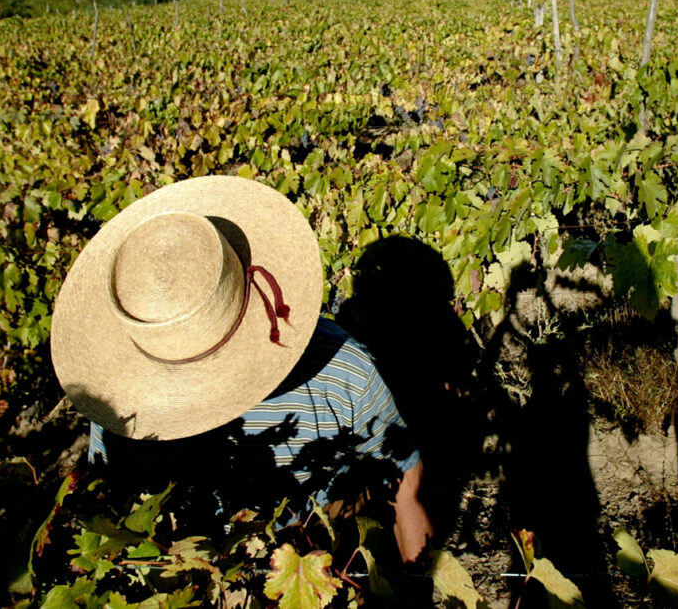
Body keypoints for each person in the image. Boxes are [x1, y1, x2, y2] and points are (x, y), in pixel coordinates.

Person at [49, 175, 433, 563]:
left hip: (309, 560)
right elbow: (115, 511)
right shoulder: (121, 402)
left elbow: (403, 486)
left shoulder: (344, 370)